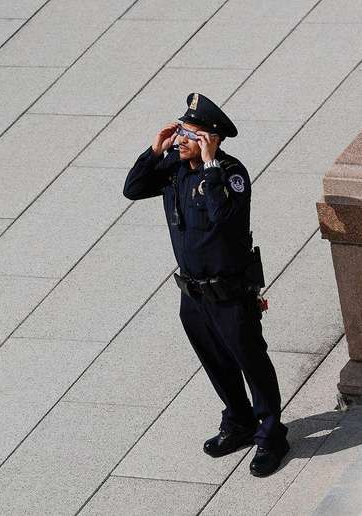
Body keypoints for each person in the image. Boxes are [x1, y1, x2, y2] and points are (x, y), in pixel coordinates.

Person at [123, 93, 289, 477]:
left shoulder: (230, 174)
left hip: (230, 293)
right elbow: (133, 188)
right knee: (216, 363)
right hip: (193, 294)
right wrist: (154, 150)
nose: (181, 139)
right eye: (181, 130)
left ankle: (271, 435)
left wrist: (211, 164)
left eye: (191, 134)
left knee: (251, 362)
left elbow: (223, 219)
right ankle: (239, 421)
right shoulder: (174, 168)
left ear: (212, 140)